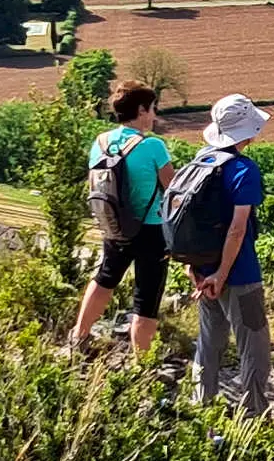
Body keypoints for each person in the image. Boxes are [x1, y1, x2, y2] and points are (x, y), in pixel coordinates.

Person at [73, 80, 175, 352]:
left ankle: (79, 336)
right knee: (147, 297)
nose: (154, 115)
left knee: (105, 277)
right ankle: (141, 363)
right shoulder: (154, 146)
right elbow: (173, 190)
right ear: (141, 110)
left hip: (114, 224)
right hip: (150, 228)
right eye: (152, 109)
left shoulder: (100, 142)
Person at [191, 94, 274, 416]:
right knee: (254, 344)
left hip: (202, 269)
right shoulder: (243, 170)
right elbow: (238, 229)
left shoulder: (201, 161)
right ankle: (253, 415)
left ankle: (202, 410)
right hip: (239, 274)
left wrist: (197, 270)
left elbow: (185, 219)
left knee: (209, 342)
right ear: (247, 131)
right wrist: (223, 274)